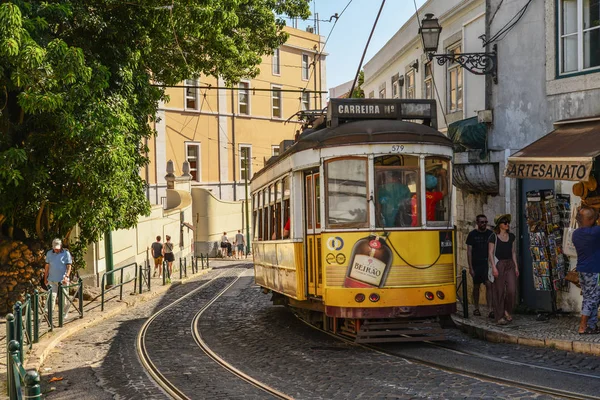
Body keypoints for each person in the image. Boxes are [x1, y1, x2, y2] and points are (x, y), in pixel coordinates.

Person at [572, 206, 600, 335]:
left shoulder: (576, 233)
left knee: (590, 297)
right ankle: (583, 326)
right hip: (593, 270)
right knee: (592, 298)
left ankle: (592, 325)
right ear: (591, 220)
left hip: (582, 270)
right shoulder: (595, 232)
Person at [488, 214, 519, 325]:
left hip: (509, 263)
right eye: (504, 223)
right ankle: (499, 316)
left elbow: (513, 252)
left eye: (507, 222)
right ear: (499, 225)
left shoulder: (511, 237)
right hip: (499, 264)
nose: (507, 224)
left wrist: (516, 266)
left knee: (512, 290)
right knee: (499, 291)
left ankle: (507, 310)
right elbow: (490, 253)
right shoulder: (493, 237)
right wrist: (494, 267)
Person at [466, 214, 494, 318]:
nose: (484, 224)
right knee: (476, 287)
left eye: (485, 222)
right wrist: (470, 267)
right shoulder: (472, 235)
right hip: (476, 263)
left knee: (489, 285)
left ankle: (490, 309)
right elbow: (469, 252)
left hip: (487, 263)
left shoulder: (490, 234)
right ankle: (476, 308)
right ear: (477, 223)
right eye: (482, 222)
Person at [44, 238, 73, 320]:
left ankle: (64, 313)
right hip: (52, 279)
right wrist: (45, 277)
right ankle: (49, 313)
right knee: (51, 297)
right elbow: (47, 266)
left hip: (63, 280)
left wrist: (67, 276)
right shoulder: (49, 253)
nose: (56, 250)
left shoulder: (66, 253)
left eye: (57, 248)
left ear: (61, 246)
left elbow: (69, 266)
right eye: (54, 248)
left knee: (64, 298)